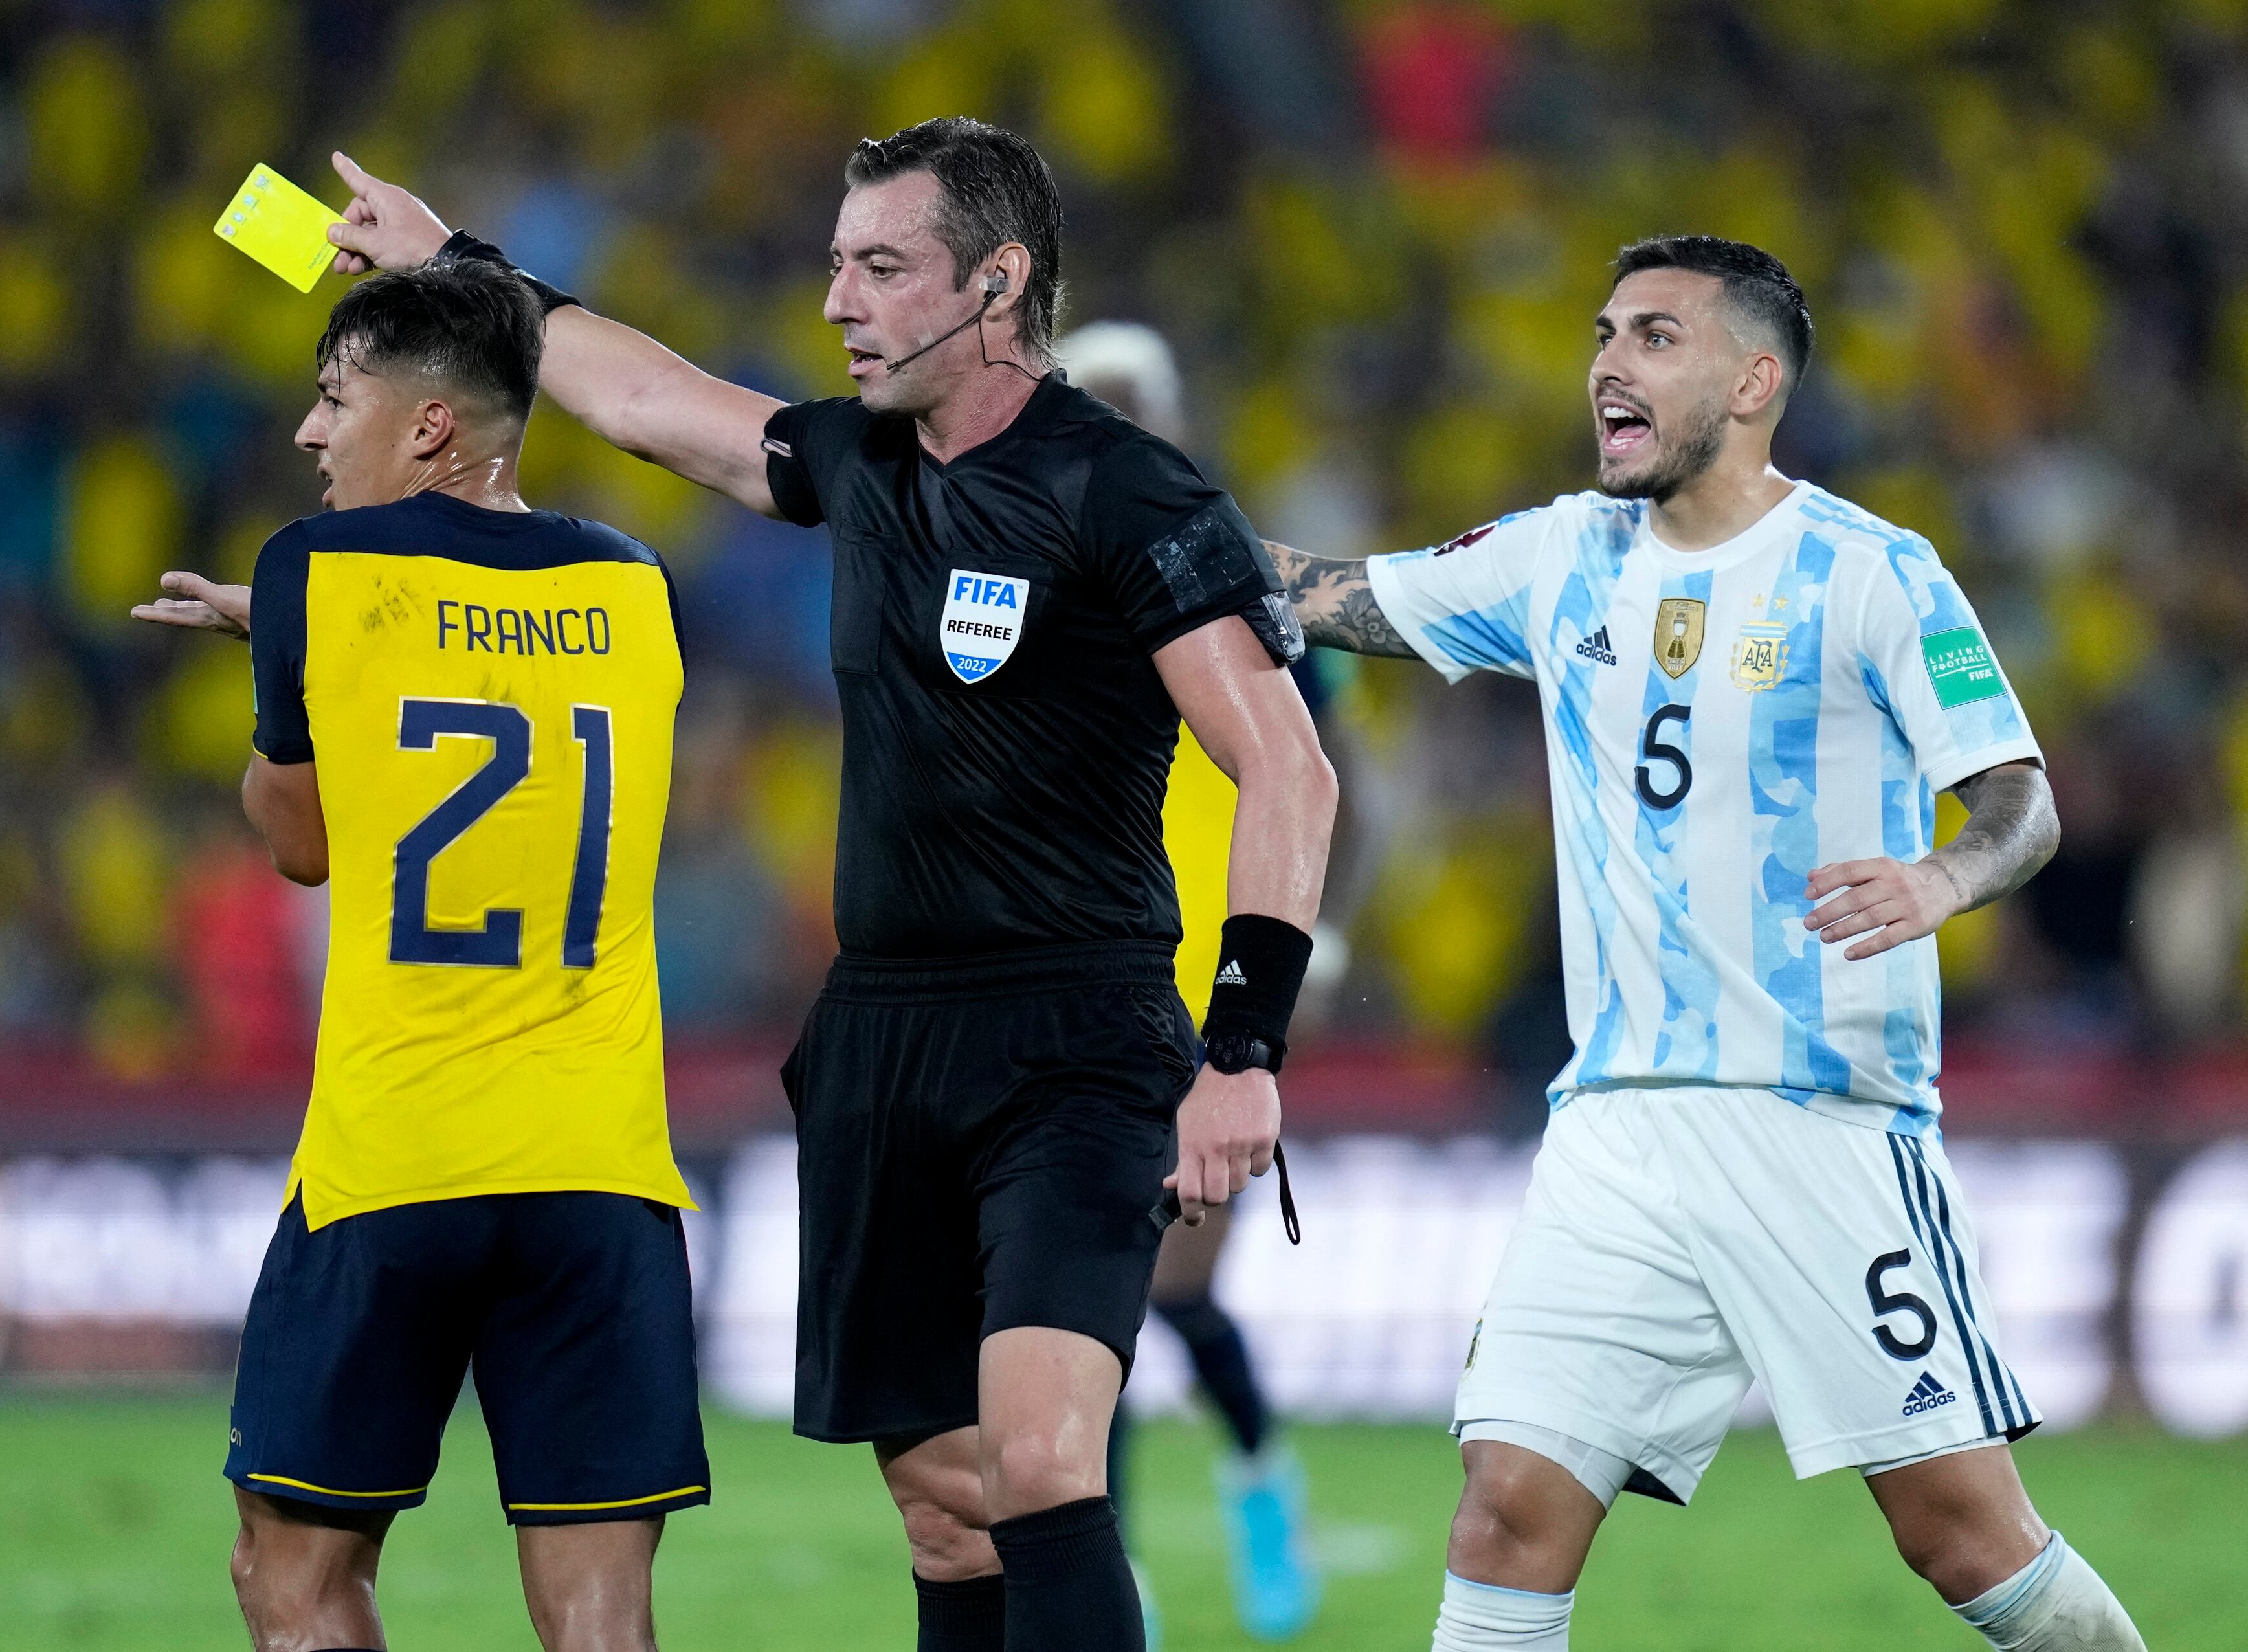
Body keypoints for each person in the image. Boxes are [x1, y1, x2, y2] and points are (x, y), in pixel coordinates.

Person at [317, 116, 1337, 1652]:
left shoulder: (1125, 493)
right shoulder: (856, 461)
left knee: (1046, 1464)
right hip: (885, 1036)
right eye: (835, 263)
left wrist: (1243, 1051)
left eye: (878, 267)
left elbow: (1290, 768)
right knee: (942, 1503)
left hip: (1077, 1034)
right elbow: (649, 401)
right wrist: (451, 262)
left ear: (995, 285)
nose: (835, 302)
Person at [1265, 236, 2148, 1651]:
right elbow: (1316, 592)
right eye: (1604, 333)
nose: (1608, 361)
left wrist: (1941, 876)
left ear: (1753, 380)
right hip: (1616, 1127)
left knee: (1963, 1537)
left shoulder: (1867, 571)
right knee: (1506, 1506)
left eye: (1655, 337)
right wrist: (1113, 524)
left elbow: (2019, 800)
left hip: (1820, 1124)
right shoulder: (1559, 556)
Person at [131, 259, 706, 1652]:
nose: (310, 435)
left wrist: (279, 649)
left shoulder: (310, 571)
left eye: (335, 399)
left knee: (297, 1577)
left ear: (432, 426)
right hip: (602, 1173)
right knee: (602, 1619)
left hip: (399, 1162)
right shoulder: (635, 589)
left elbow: (301, 842)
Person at [1057, 320, 1333, 1644]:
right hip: (1091, 983)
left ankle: (1257, 1467)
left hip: (1210, 985)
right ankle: (1120, 1578)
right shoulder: (1036, 569)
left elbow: (1327, 780)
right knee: (1088, 1288)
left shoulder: (1223, 577)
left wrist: (1299, 948)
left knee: (1173, 1292)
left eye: (1125, 406)